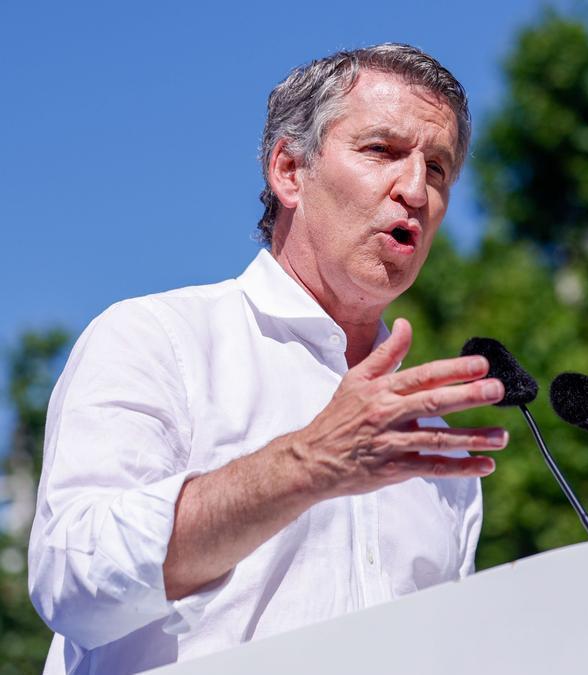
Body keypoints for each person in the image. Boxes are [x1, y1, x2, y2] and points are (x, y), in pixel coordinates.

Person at [27, 44, 508, 674]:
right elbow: (73, 581)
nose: (416, 190)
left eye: (439, 168)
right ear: (289, 171)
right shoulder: (157, 338)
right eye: (382, 151)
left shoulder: (433, 443)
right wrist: (306, 463)